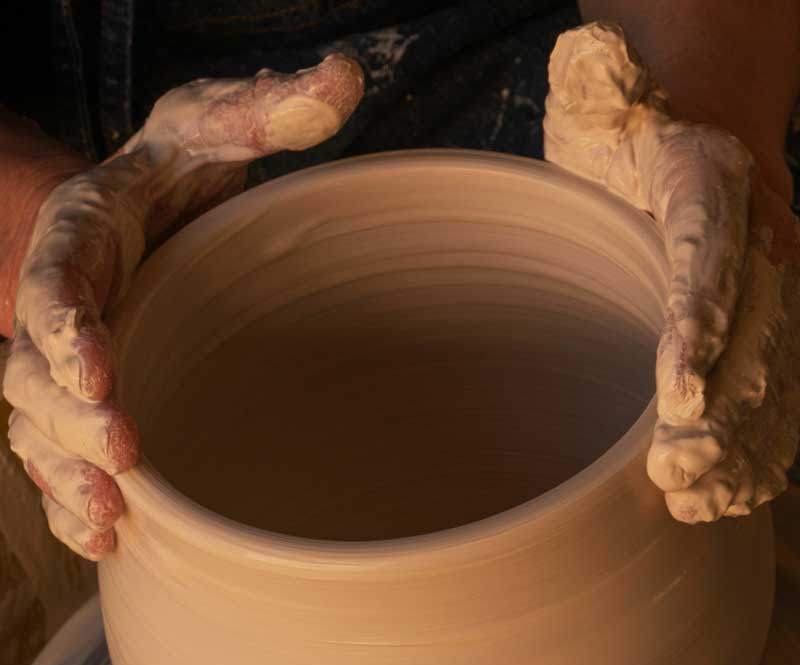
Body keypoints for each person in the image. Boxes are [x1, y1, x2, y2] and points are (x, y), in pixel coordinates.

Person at [0, 0, 798, 561]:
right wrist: (36, 220)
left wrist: (689, 116)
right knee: (96, 462)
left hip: (549, 99)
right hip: (48, 180)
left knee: (717, 386)